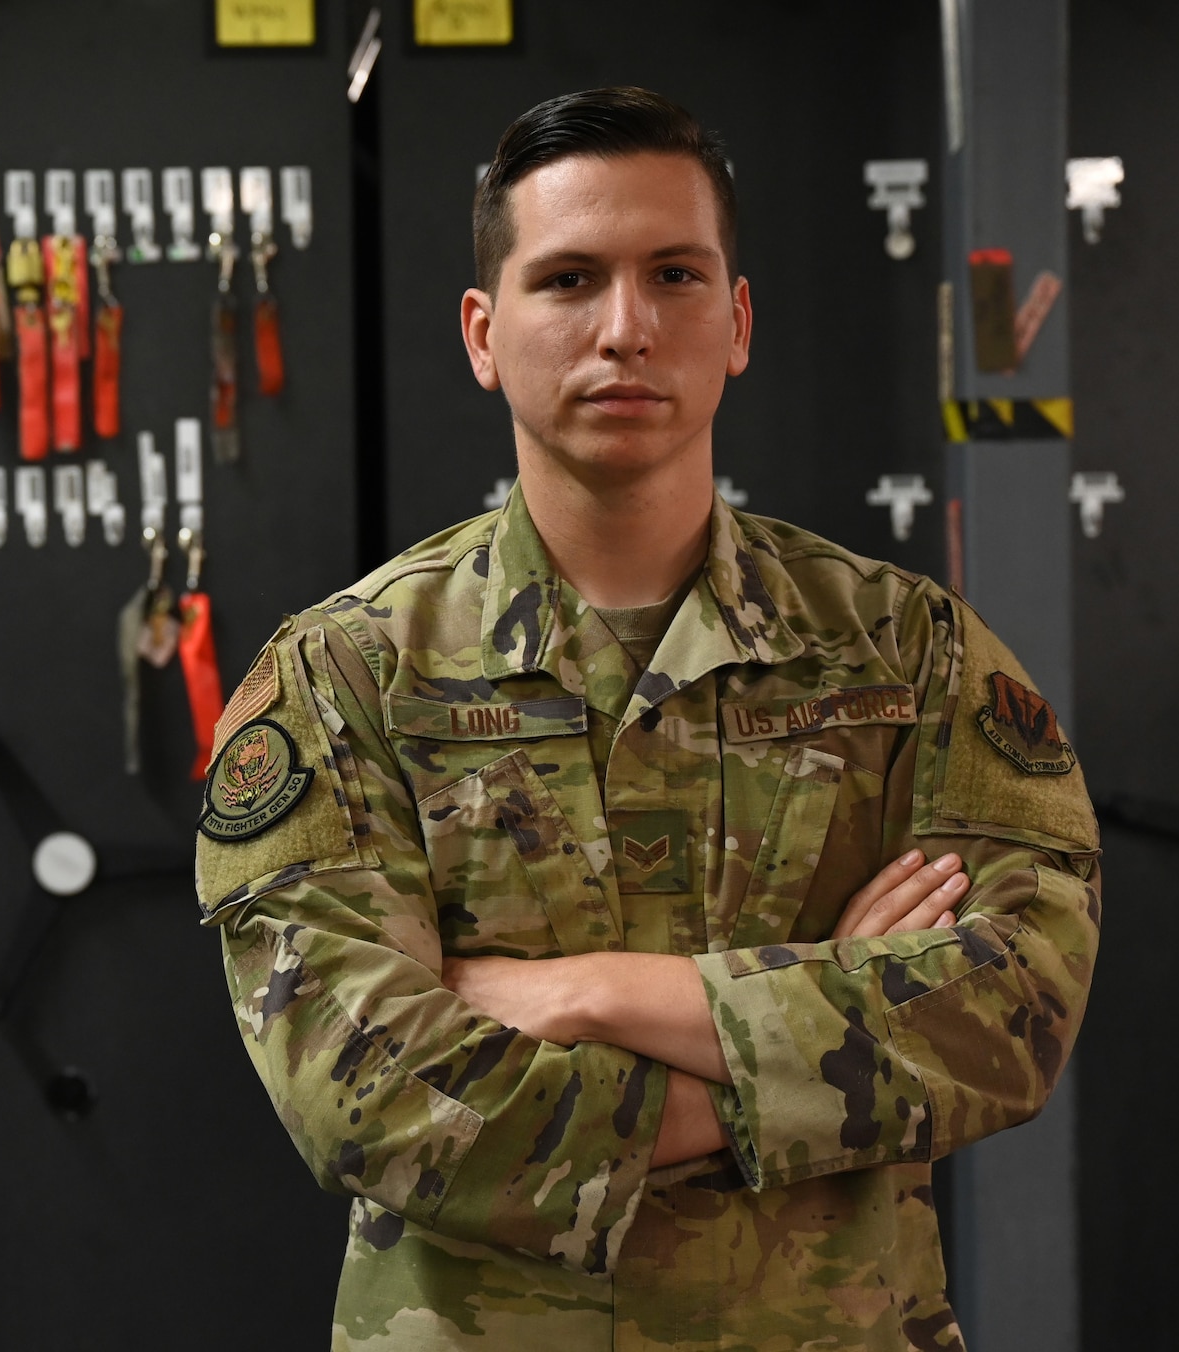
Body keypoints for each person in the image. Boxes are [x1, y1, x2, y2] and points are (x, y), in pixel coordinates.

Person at [193, 87, 1100, 1351]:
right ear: (481, 330)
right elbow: (369, 1093)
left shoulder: (905, 651)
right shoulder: (346, 675)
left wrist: (584, 993)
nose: (623, 328)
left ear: (734, 322)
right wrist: (826, 1023)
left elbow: (1009, 1014)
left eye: (673, 274)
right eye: (566, 279)